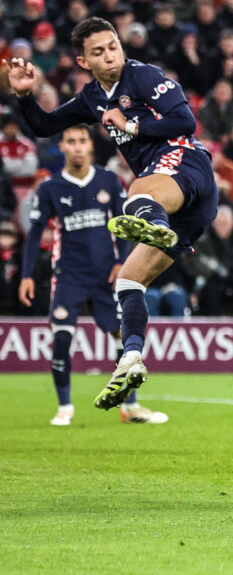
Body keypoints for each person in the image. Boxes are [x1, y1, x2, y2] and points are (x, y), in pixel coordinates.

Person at [3, 16, 219, 410]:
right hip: (183, 205)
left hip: (186, 166)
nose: (110, 56)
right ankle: (132, 358)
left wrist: (131, 125)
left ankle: (155, 227)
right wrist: (24, 96)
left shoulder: (144, 76)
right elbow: (45, 125)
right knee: (129, 282)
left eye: (113, 46)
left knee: (135, 192)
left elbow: (185, 120)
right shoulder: (92, 97)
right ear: (83, 61)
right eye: (98, 52)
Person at [18, 125, 167, 425]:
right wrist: (27, 274)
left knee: (121, 339)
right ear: (62, 146)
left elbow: (126, 223)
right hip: (69, 275)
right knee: (61, 337)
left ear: (90, 146)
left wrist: (122, 263)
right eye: (70, 141)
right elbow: (35, 233)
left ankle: (130, 407)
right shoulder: (50, 187)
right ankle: (64, 408)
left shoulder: (109, 180)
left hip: (105, 275)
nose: (76, 147)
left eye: (81, 141)